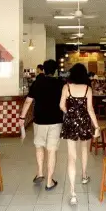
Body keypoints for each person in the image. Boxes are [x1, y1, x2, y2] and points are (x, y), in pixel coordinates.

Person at [60, 63, 101, 205]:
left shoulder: (66, 87)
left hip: (70, 123)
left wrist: (69, 114)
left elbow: (61, 105)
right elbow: (90, 109)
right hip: (84, 122)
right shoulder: (87, 89)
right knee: (84, 149)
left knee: (72, 157)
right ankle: (84, 175)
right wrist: (97, 126)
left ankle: (72, 193)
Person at [20, 59, 63, 190]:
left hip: (39, 121)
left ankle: (40, 173)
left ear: (43, 69)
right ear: (55, 71)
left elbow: (28, 102)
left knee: (39, 147)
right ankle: (49, 181)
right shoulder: (61, 84)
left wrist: (22, 117)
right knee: (52, 151)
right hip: (56, 121)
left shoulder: (37, 83)